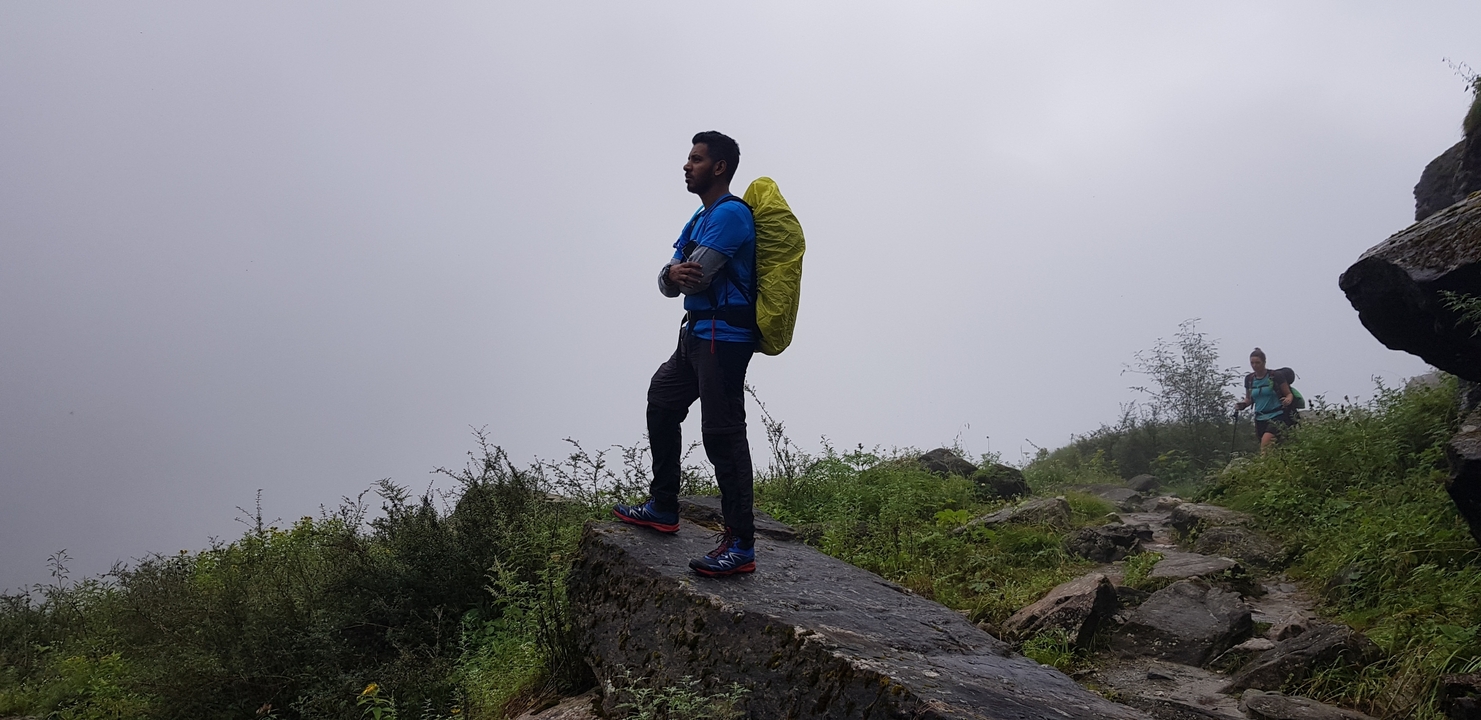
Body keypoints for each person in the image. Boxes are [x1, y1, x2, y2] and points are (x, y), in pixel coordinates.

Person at [613, 131, 759, 577]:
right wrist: (671, 273)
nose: (686, 165)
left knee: (722, 435)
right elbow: (669, 282)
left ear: (719, 167)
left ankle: (741, 544)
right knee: (662, 401)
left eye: (696, 159)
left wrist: (675, 273)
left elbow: (696, 276)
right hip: (694, 335)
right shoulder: (699, 217)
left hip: (723, 340)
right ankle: (663, 506)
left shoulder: (730, 214)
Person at [1234, 348, 1295, 452]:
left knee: (1265, 445)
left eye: (1257, 363)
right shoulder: (1249, 379)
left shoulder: (1275, 376)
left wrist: (1288, 400)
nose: (1254, 365)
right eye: (1252, 363)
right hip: (1259, 419)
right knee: (1272, 450)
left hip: (1277, 416)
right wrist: (1242, 405)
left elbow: (1288, 394)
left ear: (1264, 362)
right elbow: (1249, 399)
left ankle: (1263, 463)